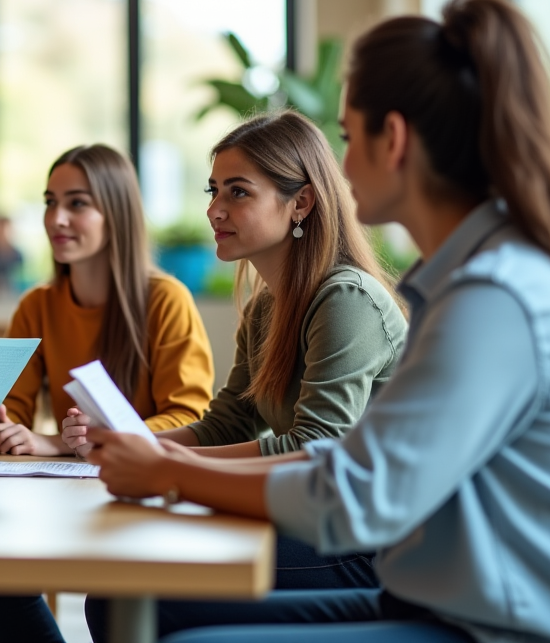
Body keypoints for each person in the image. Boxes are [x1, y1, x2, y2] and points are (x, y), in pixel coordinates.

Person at [86, 0, 550, 643]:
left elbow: (355, 493)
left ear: (396, 140)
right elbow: (346, 460)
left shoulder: (494, 295)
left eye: (350, 138)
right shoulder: (465, 284)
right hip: (437, 600)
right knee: (155, 610)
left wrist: (171, 472)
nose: (342, 167)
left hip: (508, 627)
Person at [74, 115, 405, 637]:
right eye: (213, 190)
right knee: (119, 589)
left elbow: (317, 442)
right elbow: (227, 423)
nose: (214, 209)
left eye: (238, 192)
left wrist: (166, 463)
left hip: (366, 543)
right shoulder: (266, 308)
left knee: (125, 596)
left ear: (301, 203)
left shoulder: (347, 299)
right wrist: (132, 443)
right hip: (312, 516)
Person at [0, 144, 215, 457]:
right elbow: (11, 413)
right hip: (70, 485)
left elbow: (190, 420)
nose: (56, 219)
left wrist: (69, 441)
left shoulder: (166, 300)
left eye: (77, 203)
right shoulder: (36, 306)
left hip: (146, 478)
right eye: (50, 203)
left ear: (117, 213)